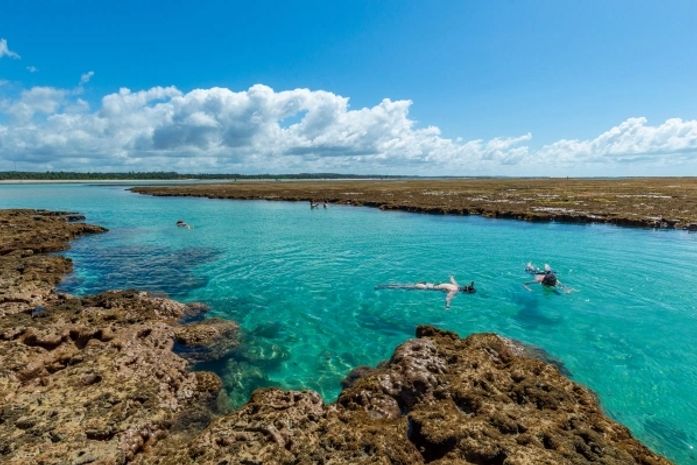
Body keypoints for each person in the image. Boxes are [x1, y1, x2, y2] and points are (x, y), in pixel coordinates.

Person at [377, 276, 475, 308]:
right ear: (465, 292)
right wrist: (447, 306)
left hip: (426, 283)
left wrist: (452, 276)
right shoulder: (454, 290)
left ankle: (384, 286)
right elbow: (448, 298)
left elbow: (452, 280)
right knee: (400, 287)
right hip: (423, 287)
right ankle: (382, 287)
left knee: (403, 286)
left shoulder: (456, 286)